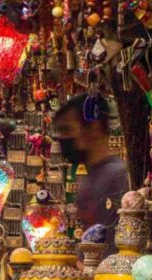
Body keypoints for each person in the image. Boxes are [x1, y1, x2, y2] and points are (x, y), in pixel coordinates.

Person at [53, 93, 133, 238]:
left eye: (68, 130)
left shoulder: (117, 177)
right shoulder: (91, 175)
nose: (62, 139)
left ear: (94, 129)